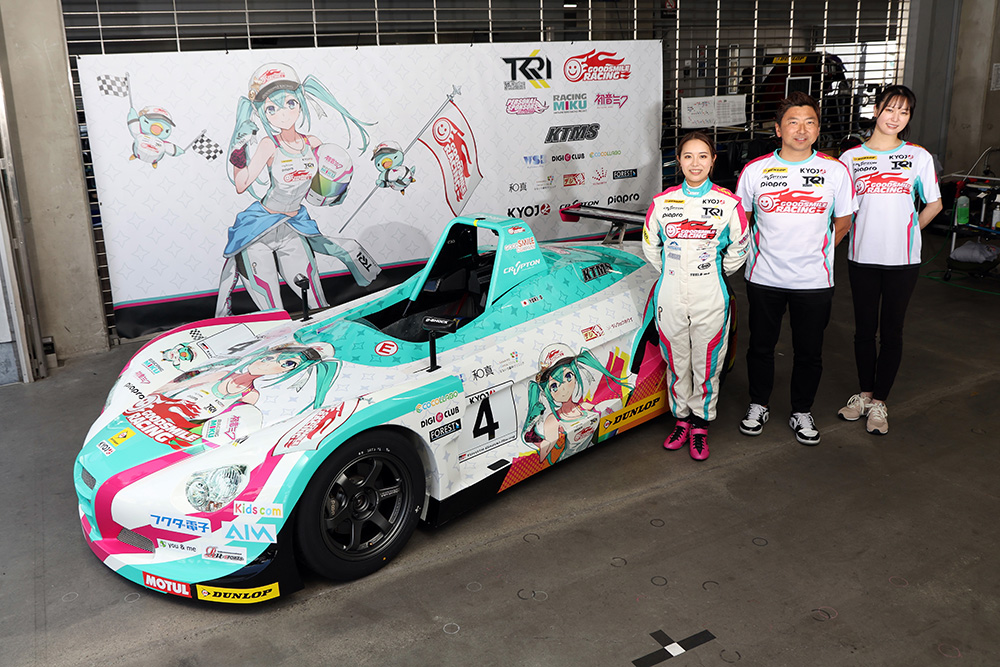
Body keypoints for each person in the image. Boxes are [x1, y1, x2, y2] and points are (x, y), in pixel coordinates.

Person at [735, 91, 857, 446]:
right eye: (793, 122)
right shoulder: (755, 170)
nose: (801, 130)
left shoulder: (835, 171)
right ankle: (758, 404)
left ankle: (801, 410)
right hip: (764, 277)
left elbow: (844, 221)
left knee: (809, 351)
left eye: (809, 123)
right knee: (761, 346)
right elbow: (741, 220)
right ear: (778, 129)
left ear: (818, 129)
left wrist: (816, 251)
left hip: (814, 280)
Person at [215, 63, 381, 317]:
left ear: (301, 103)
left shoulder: (312, 143)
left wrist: (337, 190)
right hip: (260, 229)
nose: (283, 114)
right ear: (262, 114)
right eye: (272, 109)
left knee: (317, 303)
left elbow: (324, 184)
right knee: (273, 311)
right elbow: (241, 184)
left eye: (290, 103)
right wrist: (239, 147)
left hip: (293, 226)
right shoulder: (269, 144)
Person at [836, 85, 942, 434]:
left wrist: (912, 230)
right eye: (890, 109)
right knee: (864, 330)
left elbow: (935, 203)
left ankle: (880, 402)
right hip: (862, 256)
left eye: (904, 112)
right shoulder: (851, 159)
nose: (896, 117)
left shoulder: (918, 157)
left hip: (903, 260)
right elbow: (841, 209)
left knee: (892, 331)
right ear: (876, 110)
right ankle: (864, 395)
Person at [642, 131, 749, 460]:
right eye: (688, 156)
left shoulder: (729, 203)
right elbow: (650, 246)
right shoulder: (663, 202)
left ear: (713, 160)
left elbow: (740, 246)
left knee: (708, 363)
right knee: (677, 362)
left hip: (710, 295)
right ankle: (681, 419)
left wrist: (714, 273)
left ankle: (701, 424)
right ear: (679, 160)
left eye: (703, 156)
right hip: (670, 294)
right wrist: (673, 272)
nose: (695, 163)